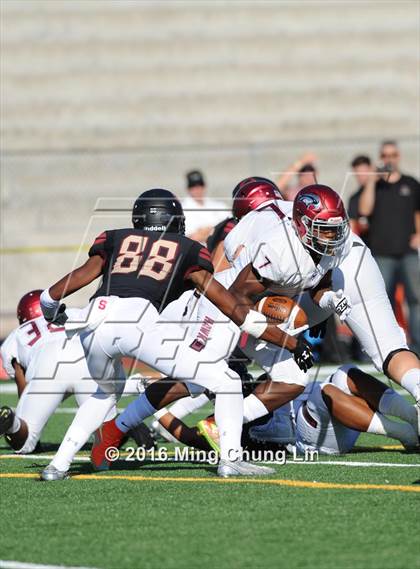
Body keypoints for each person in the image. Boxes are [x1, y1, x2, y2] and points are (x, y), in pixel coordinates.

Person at [39, 188, 302, 481]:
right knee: (226, 380)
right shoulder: (187, 248)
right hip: (138, 322)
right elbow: (230, 305)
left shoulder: (114, 238)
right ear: (174, 219)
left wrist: (49, 304)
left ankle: (57, 466)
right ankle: (231, 461)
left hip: (94, 320)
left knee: (104, 393)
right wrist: (287, 340)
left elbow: (80, 276)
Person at [200, 366, 419, 455]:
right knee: (325, 391)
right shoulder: (225, 419)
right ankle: (407, 434)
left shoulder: (253, 388)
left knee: (345, 373)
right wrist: (164, 419)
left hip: (328, 420)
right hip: (307, 437)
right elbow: (196, 435)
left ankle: (413, 417)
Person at [181, 170, 227, 243]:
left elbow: (229, 229)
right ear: (188, 189)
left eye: (200, 186)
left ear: (204, 186)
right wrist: (215, 230)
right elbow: (192, 238)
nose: (197, 190)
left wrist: (204, 232)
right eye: (193, 187)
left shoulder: (218, 205)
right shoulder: (182, 209)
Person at [348, 155, 373, 242]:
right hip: (368, 246)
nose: (361, 177)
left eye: (364, 172)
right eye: (358, 174)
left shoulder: (384, 191)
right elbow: (352, 226)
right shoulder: (354, 198)